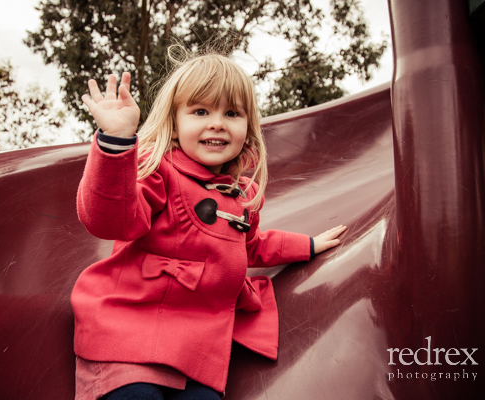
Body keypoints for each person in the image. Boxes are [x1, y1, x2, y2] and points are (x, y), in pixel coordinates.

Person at [72, 48, 347, 400]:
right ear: (175, 121)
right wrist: (115, 144)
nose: (216, 122)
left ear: (247, 128)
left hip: (196, 348)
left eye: (231, 113)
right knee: (136, 397)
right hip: (131, 333)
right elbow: (111, 220)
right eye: (200, 111)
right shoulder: (159, 172)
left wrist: (307, 245)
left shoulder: (238, 194)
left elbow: (252, 246)